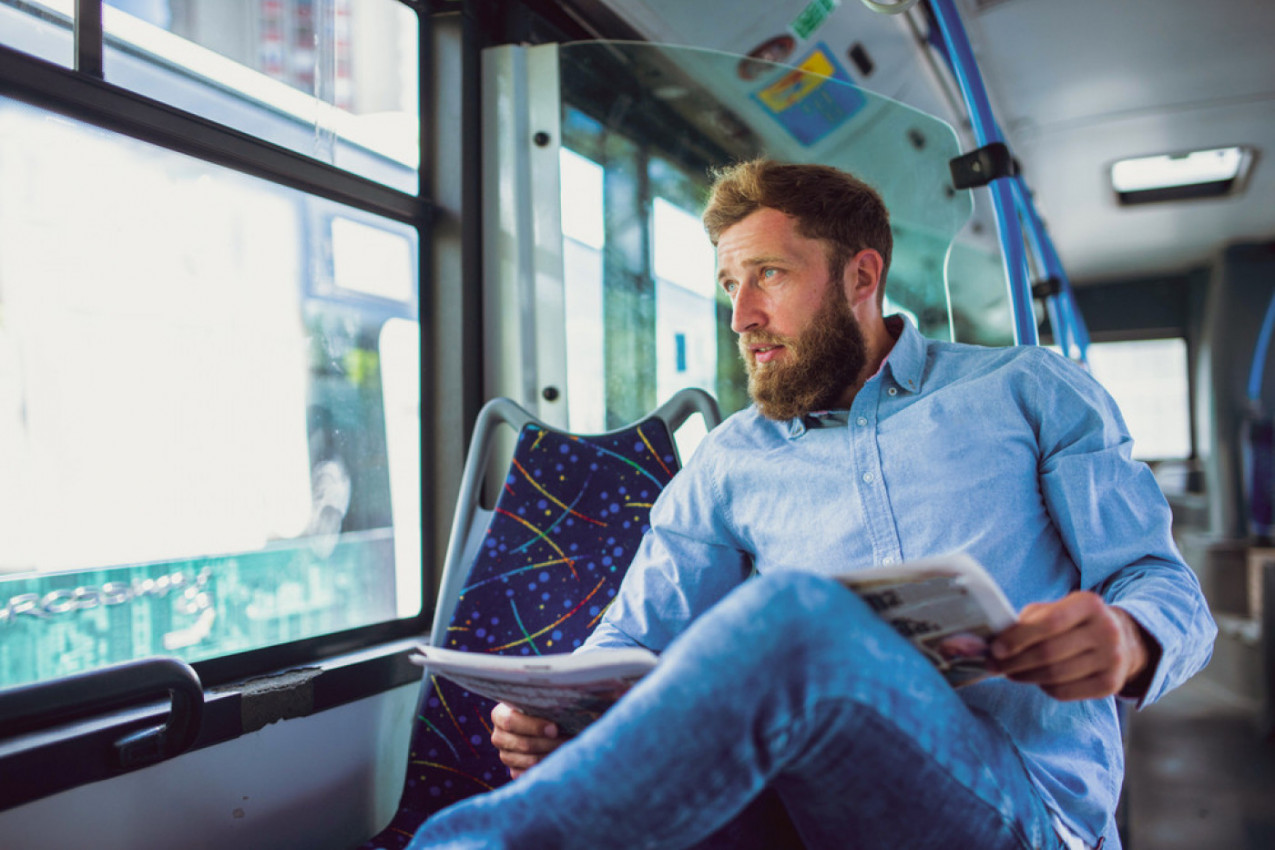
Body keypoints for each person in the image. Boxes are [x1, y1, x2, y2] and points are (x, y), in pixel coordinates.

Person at [408, 160, 1217, 849]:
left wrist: (1127, 635)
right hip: (811, 811)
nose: (740, 317)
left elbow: (1159, 581)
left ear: (861, 277)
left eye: (767, 275)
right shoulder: (729, 460)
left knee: (799, 614)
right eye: (729, 285)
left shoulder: (1025, 391)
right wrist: (554, 711)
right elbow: (626, 642)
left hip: (1026, 806)